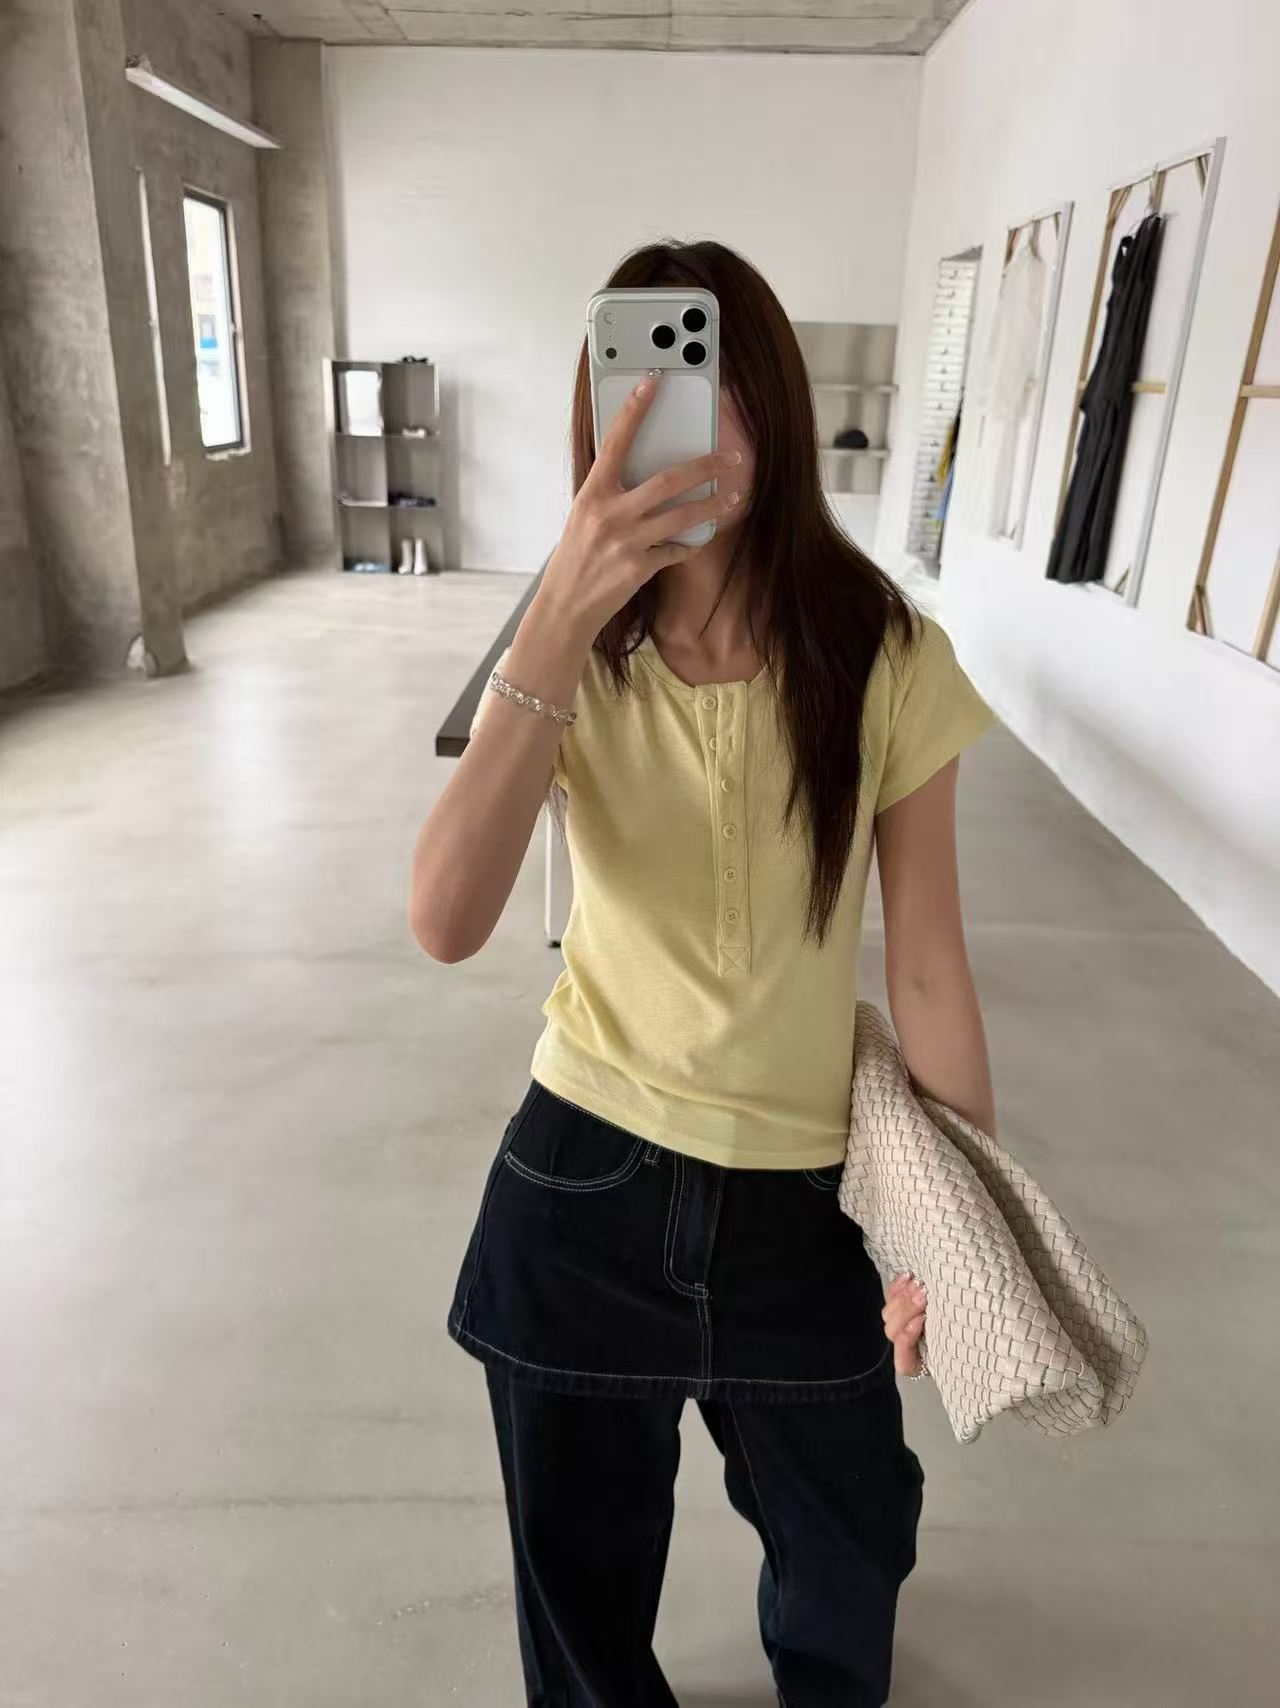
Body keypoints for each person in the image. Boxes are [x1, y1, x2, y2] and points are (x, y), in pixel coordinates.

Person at [409, 239, 998, 1708]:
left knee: (854, 1542)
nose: (697, 422)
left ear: (780, 406)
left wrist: (954, 1223)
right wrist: (557, 611)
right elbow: (447, 917)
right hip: (586, 1176)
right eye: (660, 376)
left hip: (804, 1195)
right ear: (602, 404)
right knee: (580, 1584)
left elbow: (929, 964)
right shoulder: (575, 651)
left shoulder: (883, 653)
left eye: (728, 382)